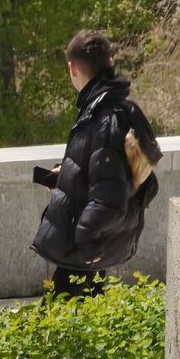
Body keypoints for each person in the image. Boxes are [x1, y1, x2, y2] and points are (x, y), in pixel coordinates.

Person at [30, 29, 163, 299]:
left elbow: (109, 195)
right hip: (88, 248)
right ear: (110, 62)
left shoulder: (105, 118)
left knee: (58, 329)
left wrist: (88, 243)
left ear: (72, 68)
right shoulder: (109, 110)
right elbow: (107, 175)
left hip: (83, 252)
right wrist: (64, 175)